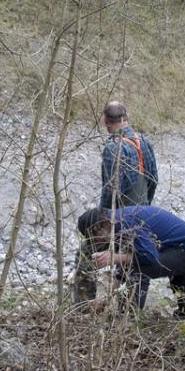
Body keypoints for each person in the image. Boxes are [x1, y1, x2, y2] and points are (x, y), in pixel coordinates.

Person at [72, 101, 158, 306]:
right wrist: (146, 207)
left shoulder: (113, 148)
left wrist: (103, 220)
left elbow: (111, 190)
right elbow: (153, 179)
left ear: (105, 122)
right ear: (127, 118)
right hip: (143, 216)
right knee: (134, 261)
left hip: (119, 219)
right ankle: (129, 311)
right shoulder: (144, 141)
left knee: (86, 254)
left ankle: (84, 307)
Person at [77, 206, 185, 318]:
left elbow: (149, 257)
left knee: (139, 270)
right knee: (179, 286)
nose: (97, 243)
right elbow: (124, 266)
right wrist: (106, 299)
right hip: (182, 246)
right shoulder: (117, 221)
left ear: (99, 227)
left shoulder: (126, 222)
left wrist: (114, 258)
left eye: (95, 239)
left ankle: (128, 317)